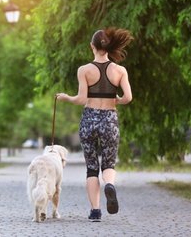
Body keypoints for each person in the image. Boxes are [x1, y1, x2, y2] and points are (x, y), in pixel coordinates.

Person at [56, 27, 133, 222]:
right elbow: (128, 97)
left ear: (92, 46)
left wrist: (66, 97)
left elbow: (81, 99)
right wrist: (117, 100)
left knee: (91, 167)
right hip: (110, 119)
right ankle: (110, 185)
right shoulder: (119, 70)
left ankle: (95, 211)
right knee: (108, 163)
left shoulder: (84, 70)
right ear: (108, 47)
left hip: (89, 119)